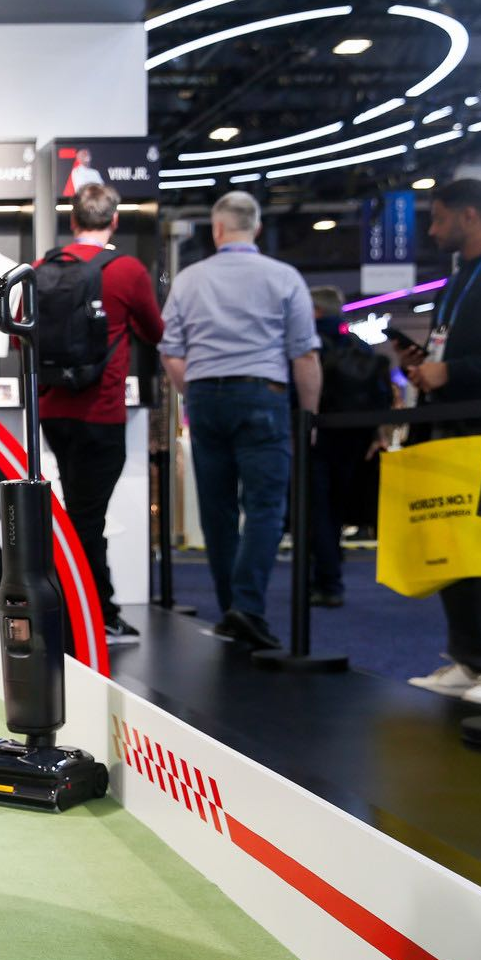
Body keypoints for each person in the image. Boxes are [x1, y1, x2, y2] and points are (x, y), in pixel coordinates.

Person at [159, 191, 322, 650]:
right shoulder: (283, 276)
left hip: (206, 396)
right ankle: (246, 607)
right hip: (262, 395)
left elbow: (170, 351)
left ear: (217, 229)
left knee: (217, 510)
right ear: (257, 228)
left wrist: (195, 390)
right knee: (265, 506)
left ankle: (232, 607)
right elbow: (305, 355)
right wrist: (308, 416)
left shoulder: (189, 279)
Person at [37, 183, 163, 643]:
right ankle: (93, 616)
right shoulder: (127, 270)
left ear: (72, 221)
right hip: (101, 412)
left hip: (53, 409)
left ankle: (80, 610)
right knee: (88, 518)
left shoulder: (42, 268)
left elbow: (18, 337)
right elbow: (156, 330)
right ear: (114, 221)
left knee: (79, 513)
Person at [399, 179, 481, 703]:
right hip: (448, 427)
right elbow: (450, 352)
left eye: (438, 219)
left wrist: (452, 372)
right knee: (452, 547)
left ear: (469, 215)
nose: (433, 231)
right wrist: (426, 367)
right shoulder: (457, 279)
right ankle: (470, 658)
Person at [308, 286, 392, 608]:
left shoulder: (310, 343)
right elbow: (379, 393)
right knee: (337, 507)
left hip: (318, 435)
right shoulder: (359, 344)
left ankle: (328, 581)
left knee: (317, 509)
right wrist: (377, 433)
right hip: (355, 436)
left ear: (315, 311)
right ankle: (331, 567)